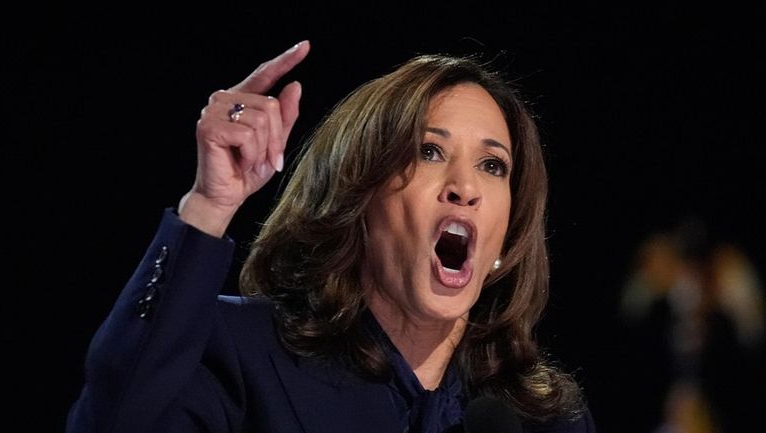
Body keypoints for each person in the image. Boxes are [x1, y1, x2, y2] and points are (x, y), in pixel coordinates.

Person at [65, 40, 596, 433]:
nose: (465, 187)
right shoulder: (242, 355)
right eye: (428, 151)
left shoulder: (544, 417)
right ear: (358, 200)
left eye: (492, 165)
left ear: (504, 241)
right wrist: (209, 205)